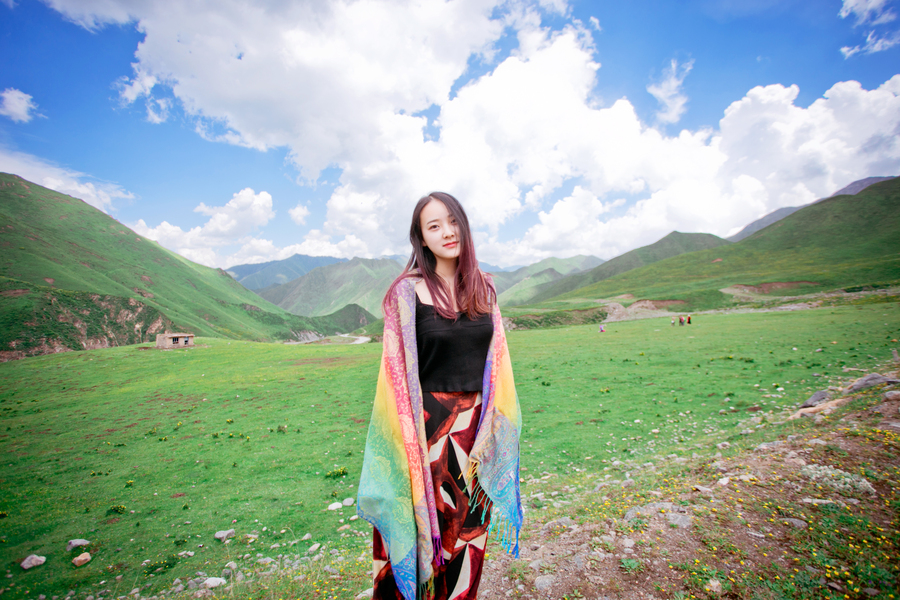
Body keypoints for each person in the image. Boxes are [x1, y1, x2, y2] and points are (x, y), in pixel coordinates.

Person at [357, 192, 522, 600]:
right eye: (434, 226)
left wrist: (492, 429)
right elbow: (394, 376)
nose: (447, 232)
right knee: (428, 541)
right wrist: (412, 445)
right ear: (422, 239)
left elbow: (497, 363)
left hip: (478, 437)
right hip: (426, 436)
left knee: (469, 538)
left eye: (452, 221)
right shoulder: (406, 293)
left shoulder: (485, 288)